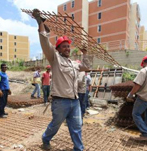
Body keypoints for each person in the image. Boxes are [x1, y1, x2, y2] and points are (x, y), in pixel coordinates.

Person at [32, 9, 90, 151]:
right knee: (55, 125)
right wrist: (40, 23)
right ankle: (46, 139)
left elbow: (86, 67)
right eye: (64, 46)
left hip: (75, 101)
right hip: (60, 101)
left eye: (68, 46)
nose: (67, 48)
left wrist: (85, 53)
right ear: (58, 49)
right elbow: (45, 42)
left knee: (77, 127)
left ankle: (78, 149)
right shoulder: (55, 59)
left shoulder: (74, 64)